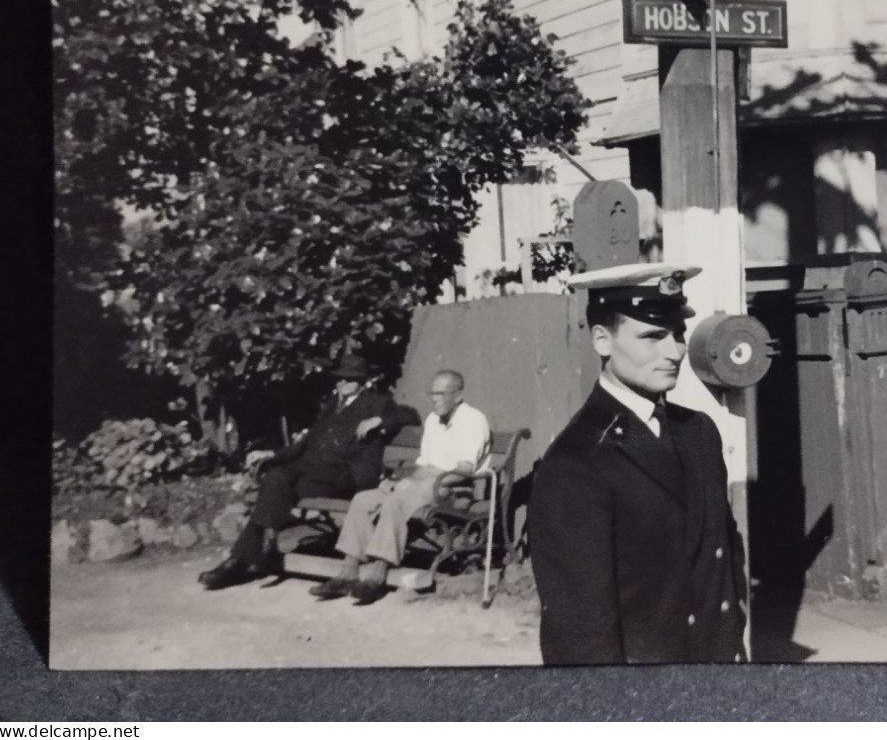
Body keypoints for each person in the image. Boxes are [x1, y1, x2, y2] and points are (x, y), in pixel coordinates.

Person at [529, 262, 747, 665]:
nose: (676, 351)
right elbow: (581, 632)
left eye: (678, 334)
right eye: (652, 337)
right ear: (602, 340)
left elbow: (722, 549)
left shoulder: (698, 432)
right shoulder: (576, 463)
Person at [198, 351, 417, 590]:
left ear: (362, 381)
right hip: (314, 473)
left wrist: (379, 422)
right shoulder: (332, 405)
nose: (342, 382)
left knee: (276, 480)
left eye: (349, 378)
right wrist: (272, 454)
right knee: (276, 481)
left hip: (345, 476)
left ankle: (244, 558)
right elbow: (306, 442)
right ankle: (249, 554)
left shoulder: (376, 401)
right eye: (340, 378)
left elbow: (408, 415)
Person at [309, 369, 492, 605]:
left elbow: (465, 471)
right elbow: (425, 465)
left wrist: (418, 485)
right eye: (432, 393)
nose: (434, 399)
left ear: (457, 395)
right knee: (364, 499)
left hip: (456, 489)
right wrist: (402, 482)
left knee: (397, 501)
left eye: (440, 394)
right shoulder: (433, 420)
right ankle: (349, 571)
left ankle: (378, 573)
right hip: (428, 485)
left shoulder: (474, 420)